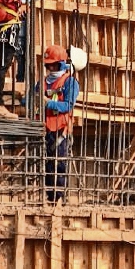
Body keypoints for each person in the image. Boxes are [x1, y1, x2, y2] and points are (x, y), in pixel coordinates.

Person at [42, 44, 79, 203]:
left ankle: (59, 199)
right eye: (48, 64)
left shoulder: (70, 82)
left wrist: (48, 103)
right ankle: (51, 198)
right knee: (48, 166)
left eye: (53, 64)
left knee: (59, 164)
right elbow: (32, 97)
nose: (50, 67)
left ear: (62, 63)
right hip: (45, 129)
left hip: (61, 130)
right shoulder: (43, 82)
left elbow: (68, 105)